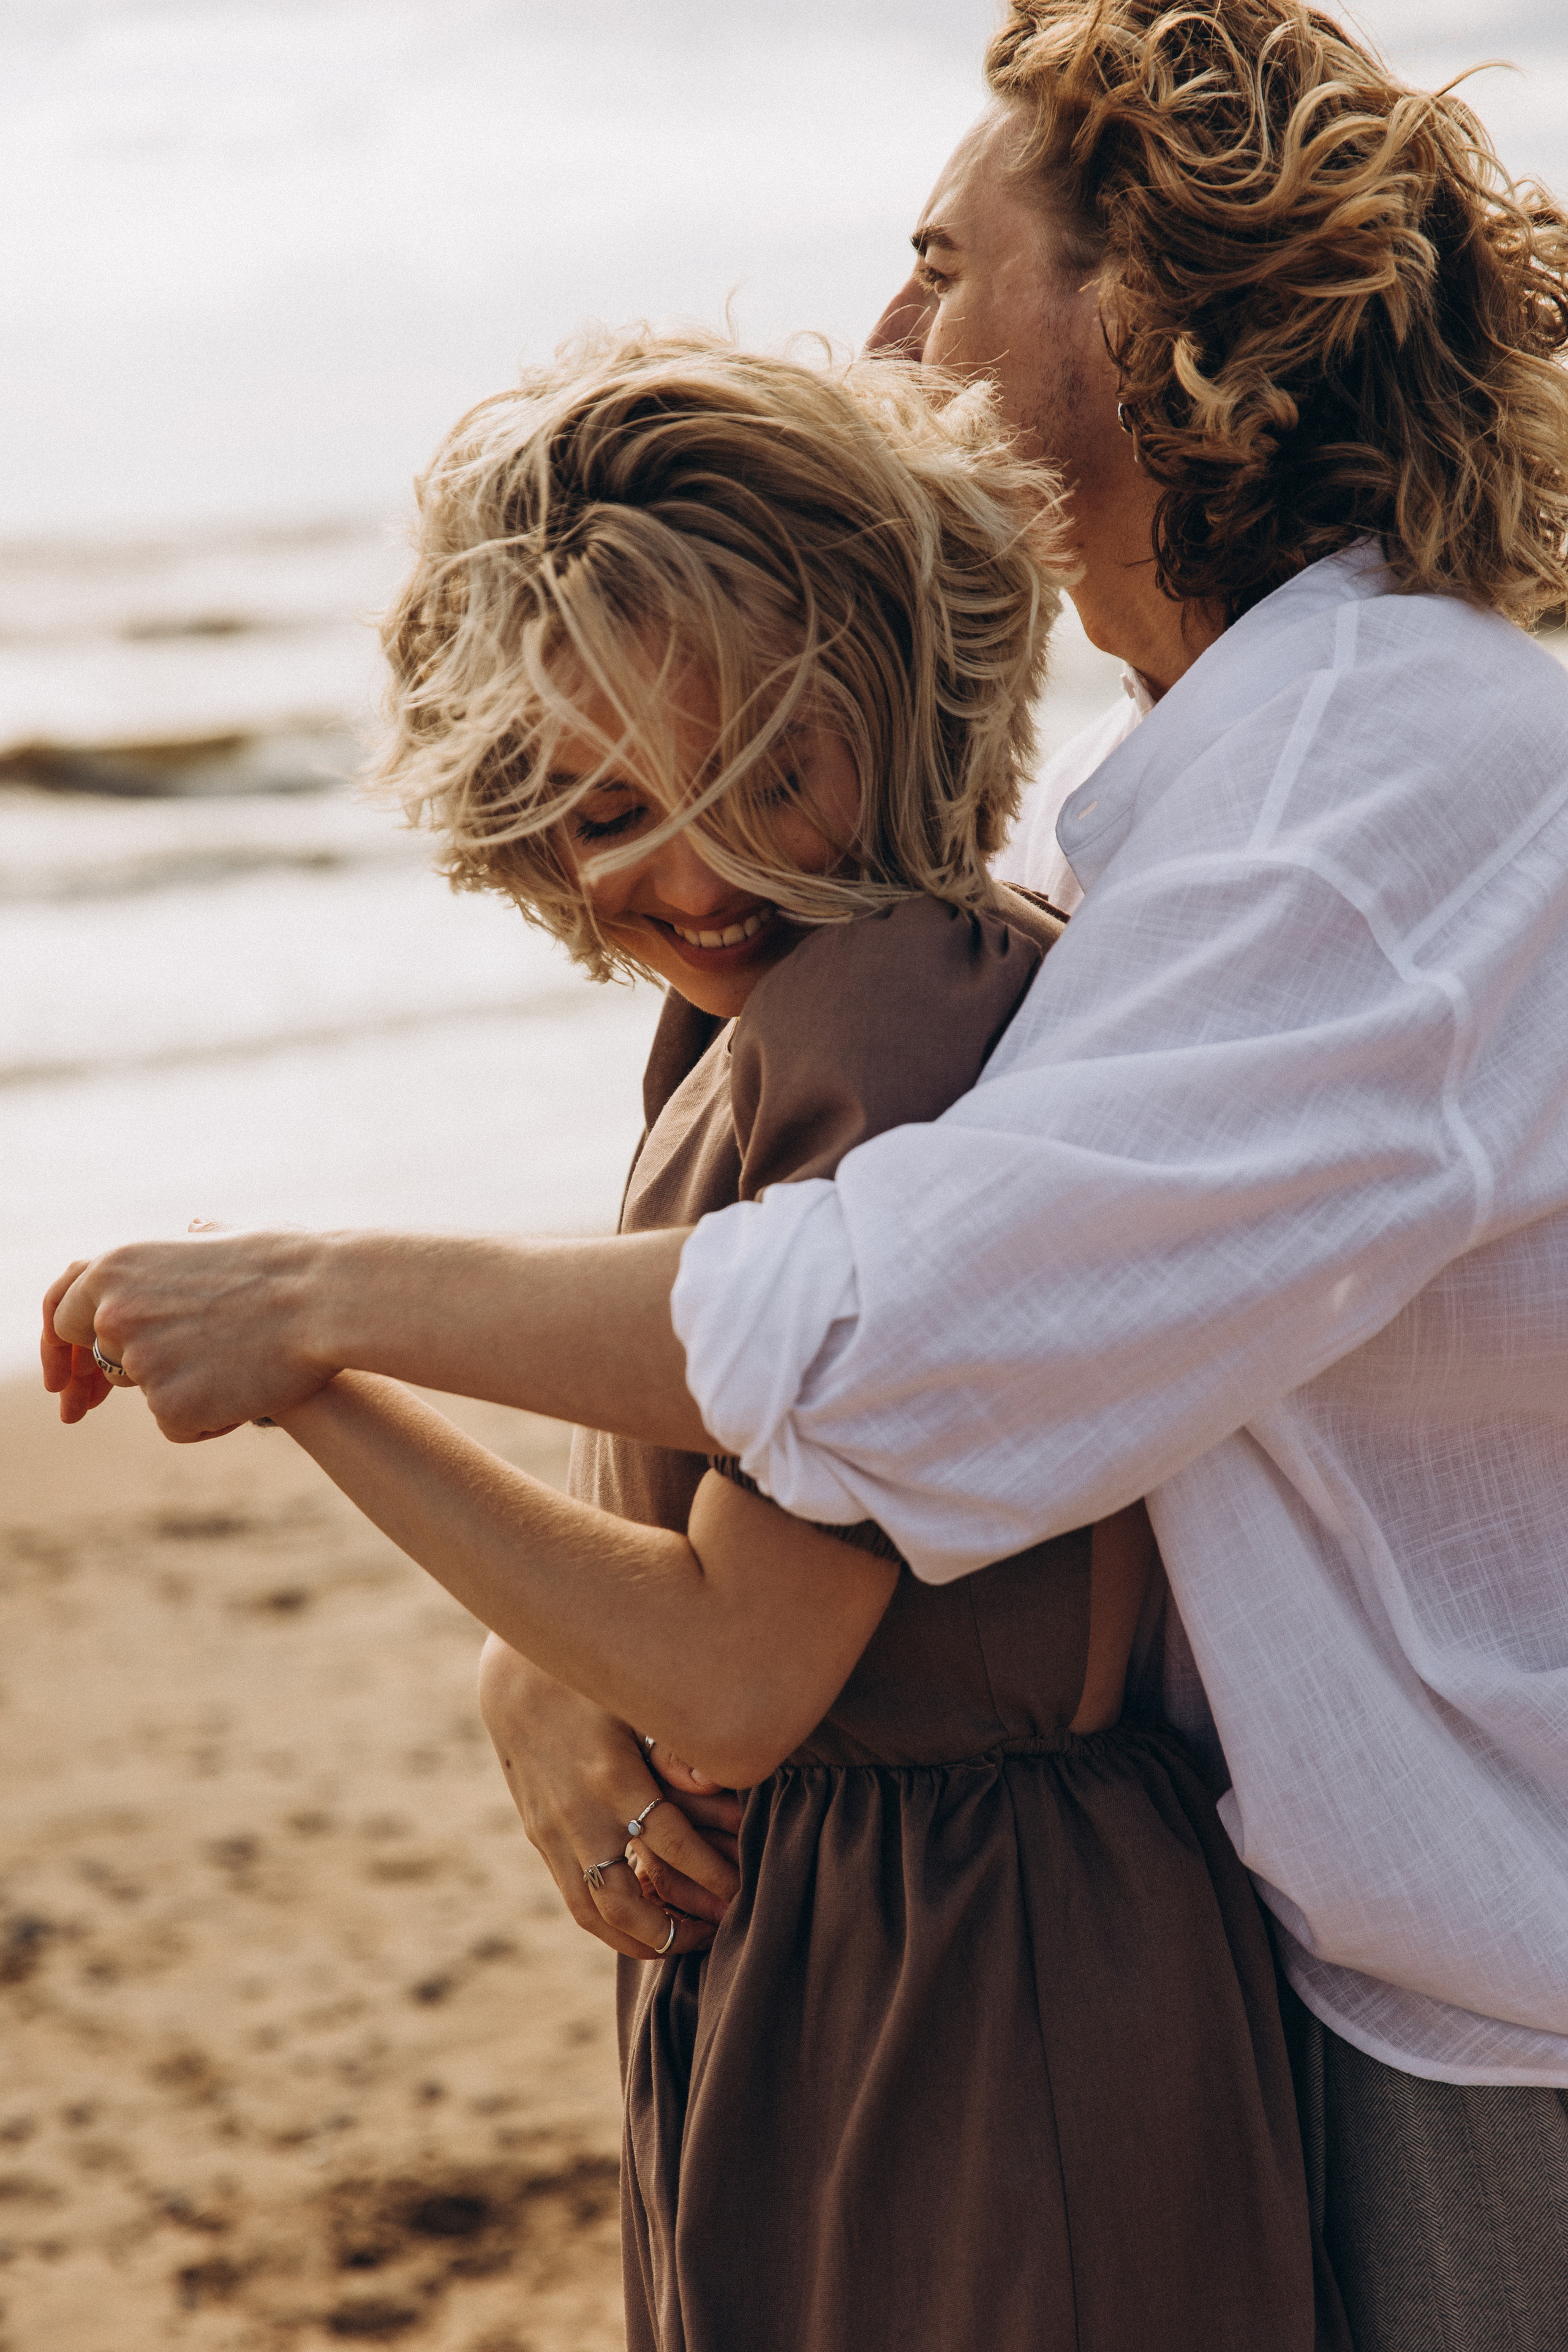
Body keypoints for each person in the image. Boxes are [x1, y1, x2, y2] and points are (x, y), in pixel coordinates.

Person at [43, 4, 1568, 2344]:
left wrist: (316, 1315)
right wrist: (528, 1653)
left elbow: (899, 1327)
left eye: (944, 265)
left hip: (1476, 1975)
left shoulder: (1327, 825)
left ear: (1161, 316)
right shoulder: (1220, 797)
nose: (886, 334)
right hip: (1333, 1922)